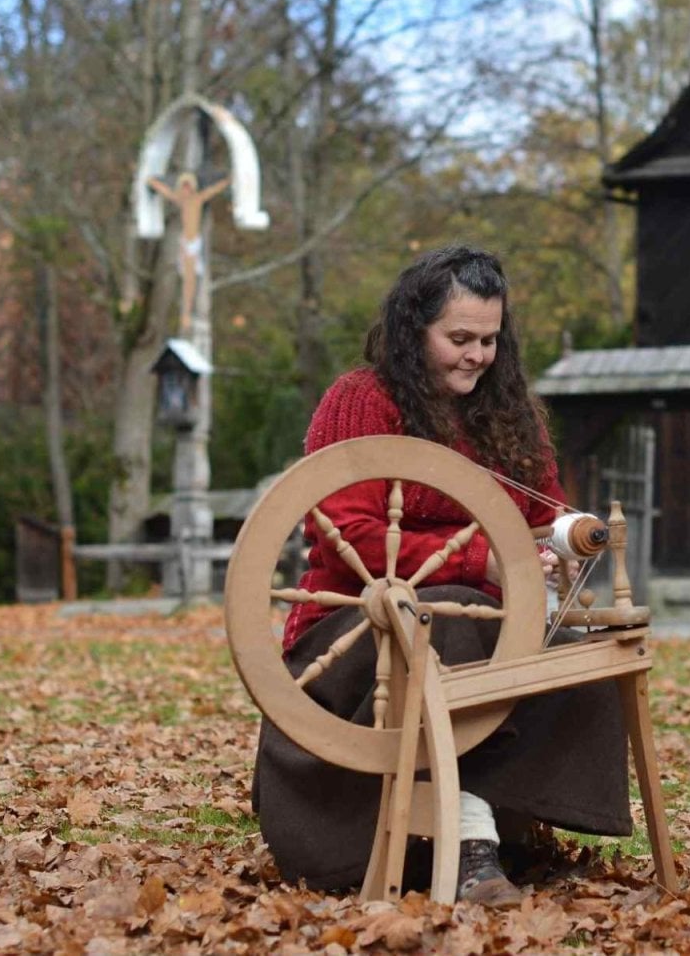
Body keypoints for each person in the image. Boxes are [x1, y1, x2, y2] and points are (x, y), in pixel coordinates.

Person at [253, 245, 631, 907]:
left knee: (584, 663)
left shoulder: (509, 413)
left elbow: (543, 512)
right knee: (448, 612)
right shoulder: (361, 399)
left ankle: (508, 820)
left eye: (488, 339)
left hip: (480, 632)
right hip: (353, 637)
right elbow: (348, 535)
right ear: (413, 328)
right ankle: (469, 848)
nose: (476, 354)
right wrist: (477, 560)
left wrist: (563, 542)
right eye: (458, 337)